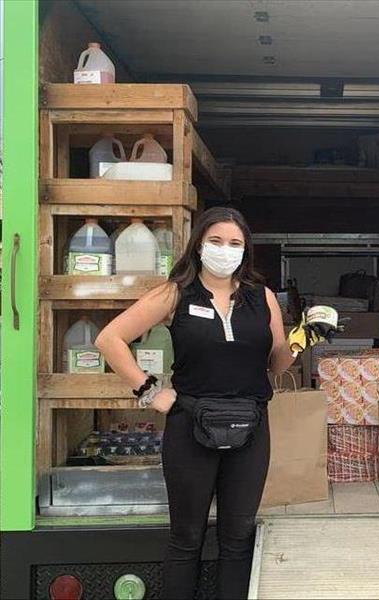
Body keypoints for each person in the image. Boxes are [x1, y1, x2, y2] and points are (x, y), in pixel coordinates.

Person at [96, 207, 306, 599]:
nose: (225, 250)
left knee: (238, 539)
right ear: (198, 246)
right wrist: (149, 391)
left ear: (246, 250)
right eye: (216, 241)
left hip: (250, 430)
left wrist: (303, 338)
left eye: (235, 243)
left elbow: (276, 363)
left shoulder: (262, 299)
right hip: (190, 428)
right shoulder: (175, 293)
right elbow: (110, 339)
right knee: (186, 538)